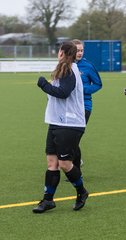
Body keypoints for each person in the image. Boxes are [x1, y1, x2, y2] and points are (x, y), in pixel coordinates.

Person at [33, 41, 88, 213]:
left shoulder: (70, 71)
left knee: (65, 163)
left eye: (59, 51)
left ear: (63, 52)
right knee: (52, 163)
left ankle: (81, 191)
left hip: (70, 124)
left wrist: (44, 85)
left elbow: (64, 93)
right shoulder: (62, 69)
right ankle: (48, 200)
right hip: (56, 122)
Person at [72, 39, 103, 171]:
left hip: (84, 107)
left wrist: (82, 90)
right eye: (77, 50)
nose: (79, 53)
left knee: (74, 138)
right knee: (69, 138)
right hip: (68, 107)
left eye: (81, 50)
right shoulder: (64, 64)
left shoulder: (88, 66)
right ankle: (75, 161)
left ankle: (76, 169)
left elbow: (98, 84)